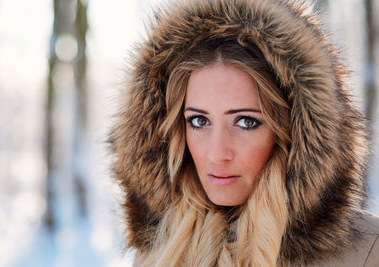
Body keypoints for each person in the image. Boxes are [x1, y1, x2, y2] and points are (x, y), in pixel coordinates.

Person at [110, 0, 379, 266]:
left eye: (246, 122)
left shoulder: (367, 253)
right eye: (199, 121)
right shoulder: (159, 253)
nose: (217, 154)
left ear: (294, 132)